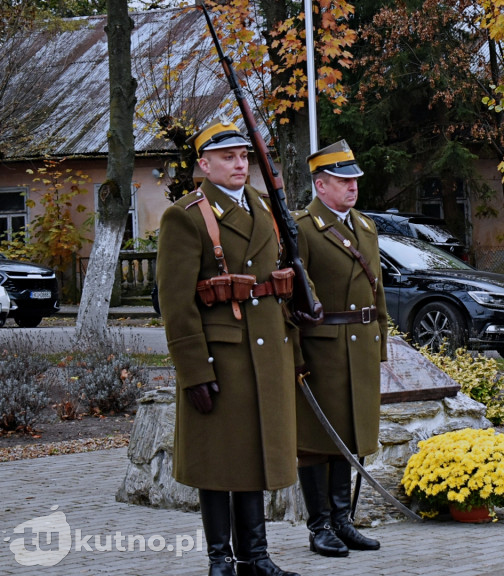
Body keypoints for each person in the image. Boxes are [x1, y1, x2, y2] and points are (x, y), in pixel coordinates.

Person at [157, 118, 302, 576]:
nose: (240, 164)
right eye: (227, 157)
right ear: (204, 164)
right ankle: (220, 559)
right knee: (220, 464)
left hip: (267, 353)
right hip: (223, 358)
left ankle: (255, 557)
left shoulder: (263, 206)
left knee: (254, 457)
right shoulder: (185, 215)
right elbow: (177, 305)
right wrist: (194, 372)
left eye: (243, 156)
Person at [293, 140, 388, 557]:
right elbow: (293, 299)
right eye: (343, 181)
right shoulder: (302, 228)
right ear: (320, 185)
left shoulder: (365, 227)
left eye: (354, 181)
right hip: (323, 349)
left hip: (360, 346)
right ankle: (320, 527)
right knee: (318, 440)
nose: (352, 188)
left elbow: (377, 293)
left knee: (350, 436)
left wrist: (380, 345)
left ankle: (343, 521)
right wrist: (295, 356)